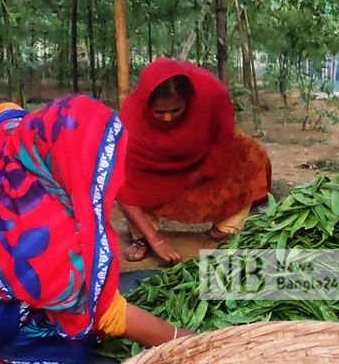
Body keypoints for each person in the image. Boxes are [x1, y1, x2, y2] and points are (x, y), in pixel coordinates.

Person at [0, 97, 194, 364]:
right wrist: (184, 340)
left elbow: (3, 110)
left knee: (74, 294)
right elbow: (105, 312)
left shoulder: (23, 140)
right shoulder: (35, 235)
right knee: (72, 351)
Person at [116, 58, 271, 263]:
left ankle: (226, 226)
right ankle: (142, 236)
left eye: (176, 110)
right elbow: (123, 187)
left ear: (188, 101)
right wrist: (156, 240)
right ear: (147, 104)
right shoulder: (131, 122)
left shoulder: (210, 93)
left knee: (249, 154)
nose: (168, 118)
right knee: (130, 181)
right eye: (160, 112)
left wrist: (207, 168)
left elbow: (223, 132)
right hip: (156, 174)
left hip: (200, 159)